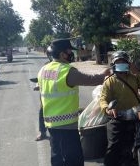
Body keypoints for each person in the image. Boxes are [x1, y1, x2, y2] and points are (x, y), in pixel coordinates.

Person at [37, 38, 111, 166]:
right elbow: (90, 79)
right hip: (67, 125)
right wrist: (104, 74)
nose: (72, 54)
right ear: (62, 54)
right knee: (74, 160)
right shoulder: (67, 71)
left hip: (51, 123)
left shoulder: (43, 70)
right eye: (70, 51)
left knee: (57, 157)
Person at [99, 51, 140, 166]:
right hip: (118, 116)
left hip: (136, 115)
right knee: (113, 147)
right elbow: (103, 99)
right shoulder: (110, 81)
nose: (121, 64)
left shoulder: (134, 78)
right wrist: (107, 109)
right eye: (118, 62)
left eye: (124, 62)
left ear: (128, 64)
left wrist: (137, 72)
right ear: (113, 65)